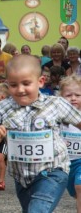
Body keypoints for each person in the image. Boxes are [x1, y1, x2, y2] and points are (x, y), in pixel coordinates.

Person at [0, 54, 81, 212]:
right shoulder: (1, 108)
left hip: (53, 171)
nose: (20, 90)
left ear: (40, 81)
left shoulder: (55, 104)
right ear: (7, 84)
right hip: (22, 178)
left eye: (26, 83)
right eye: (14, 85)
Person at [60, 75, 81, 212]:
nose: (73, 98)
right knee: (74, 192)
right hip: (64, 162)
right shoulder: (57, 116)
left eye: (78, 95)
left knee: (80, 186)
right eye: (68, 95)